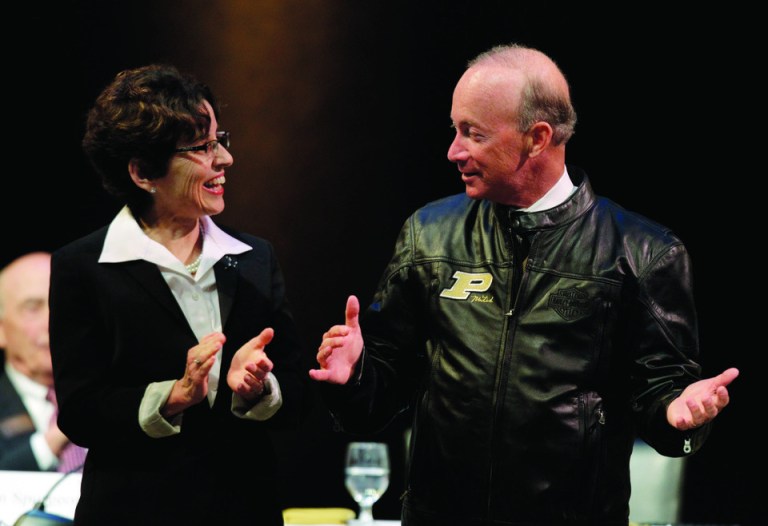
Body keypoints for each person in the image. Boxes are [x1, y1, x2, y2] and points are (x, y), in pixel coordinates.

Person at [309, 43, 739, 525]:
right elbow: (378, 395)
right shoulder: (428, 234)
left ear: (537, 138)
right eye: (454, 129)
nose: (453, 150)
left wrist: (677, 416)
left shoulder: (643, 253)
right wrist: (353, 377)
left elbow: (664, 401)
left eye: (472, 133)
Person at [49, 64, 303, 526]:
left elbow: (296, 390)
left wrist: (259, 387)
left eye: (220, 139)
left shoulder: (253, 258)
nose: (224, 159)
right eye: (203, 148)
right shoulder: (84, 266)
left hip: (243, 509)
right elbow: (81, 412)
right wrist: (174, 396)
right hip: (133, 510)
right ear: (144, 171)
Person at [0, 252, 87, 472]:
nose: (54, 320)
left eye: (62, 302)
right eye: (33, 307)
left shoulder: (115, 393)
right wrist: (51, 442)